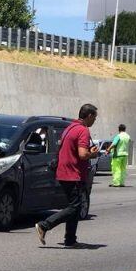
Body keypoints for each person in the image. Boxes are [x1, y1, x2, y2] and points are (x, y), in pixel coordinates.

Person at [35, 103, 100, 248]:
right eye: (94, 118)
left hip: (64, 172)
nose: (94, 121)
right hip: (73, 173)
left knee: (74, 207)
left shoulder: (69, 128)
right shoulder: (83, 130)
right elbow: (83, 154)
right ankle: (44, 225)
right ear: (89, 116)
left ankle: (70, 240)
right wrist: (93, 153)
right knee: (75, 207)